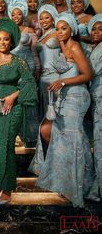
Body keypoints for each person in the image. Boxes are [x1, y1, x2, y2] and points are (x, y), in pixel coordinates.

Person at [29, 13, 95, 208]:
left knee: (74, 139)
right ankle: (70, 182)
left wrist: (62, 81)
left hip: (78, 97)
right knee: (52, 133)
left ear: (72, 30)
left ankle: (78, 187)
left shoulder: (74, 46)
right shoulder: (61, 47)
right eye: (57, 28)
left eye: (63, 28)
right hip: (65, 97)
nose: (59, 32)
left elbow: (87, 74)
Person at [0, 18, 37, 204]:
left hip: (12, 108)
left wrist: (14, 96)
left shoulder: (19, 61)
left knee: (7, 145)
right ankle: (3, 187)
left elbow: (30, 84)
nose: (2, 43)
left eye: (6, 39)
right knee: (0, 147)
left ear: (11, 41)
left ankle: (7, 190)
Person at [8, 0, 40, 147]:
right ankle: (16, 138)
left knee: (28, 100)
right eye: (13, 14)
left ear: (23, 15)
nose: (16, 17)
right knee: (16, 102)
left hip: (28, 67)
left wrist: (37, 68)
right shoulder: (7, 30)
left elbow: (34, 52)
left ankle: (30, 139)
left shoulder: (30, 31)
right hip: (12, 70)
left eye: (19, 14)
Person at [86, 14, 102, 202]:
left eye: (100, 29)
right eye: (94, 29)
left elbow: (90, 72)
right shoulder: (93, 48)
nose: (96, 32)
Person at [36, 4, 60, 121]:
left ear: (53, 18)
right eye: (41, 18)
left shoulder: (57, 32)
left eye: (47, 17)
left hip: (55, 76)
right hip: (42, 79)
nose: (43, 20)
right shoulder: (39, 37)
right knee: (46, 114)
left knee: (57, 111)